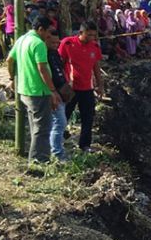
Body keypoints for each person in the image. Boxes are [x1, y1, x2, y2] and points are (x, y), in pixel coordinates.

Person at [7, 16, 61, 163]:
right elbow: (42, 68)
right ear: (40, 29)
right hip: (38, 91)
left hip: (25, 89)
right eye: (48, 32)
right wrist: (53, 91)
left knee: (35, 126)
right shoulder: (38, 43)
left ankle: (36, 157)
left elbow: (9, 60)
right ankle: (39, 160)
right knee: (42, 129)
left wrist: (12, 78)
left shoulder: (22, 39)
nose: (49, 36)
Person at [59, 21, 103, 153]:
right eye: (89, 35)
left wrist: (100, 85)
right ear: (80, 33)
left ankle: (84, 145)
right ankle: (58, 140)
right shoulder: (67, 44)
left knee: (88, 117)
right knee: (64, 115)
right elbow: (60, 64)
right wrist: (61, 83)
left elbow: (96, 67)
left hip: (87, 88)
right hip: (71, 88)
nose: (91, 38)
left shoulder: (94, 46)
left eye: (94, 35)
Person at [46, 28, 73, 161]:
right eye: (53, 43)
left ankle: (55, 148)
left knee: (57, 123)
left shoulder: (55, 54)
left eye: (58, 43)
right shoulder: (44, 55)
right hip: (53, 93)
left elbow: (60, 71)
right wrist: (53, 92)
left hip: (62, 91)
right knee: (59, 122)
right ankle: (57, 153)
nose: (56, 45)